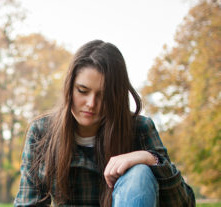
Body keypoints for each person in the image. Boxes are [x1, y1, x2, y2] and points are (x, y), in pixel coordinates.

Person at [14, 40, 195, 207]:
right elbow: (28, 203)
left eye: (103, 95)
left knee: (139, 173)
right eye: (82, 91)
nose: (91, 103)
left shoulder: (139, 128)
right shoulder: (42, 131)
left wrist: (150, 159)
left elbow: (184, 203)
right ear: (69, 86)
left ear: (115, 96)